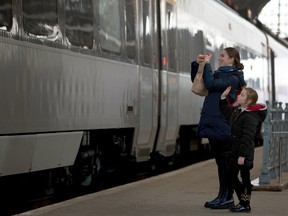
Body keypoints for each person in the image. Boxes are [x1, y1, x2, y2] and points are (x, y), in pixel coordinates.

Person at [190, 47, 246, 209]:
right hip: (214, 122)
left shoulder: (233, 78)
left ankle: (228, 196)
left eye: (222, 56)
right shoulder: (221, 74)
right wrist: (198, 64)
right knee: (220, 162)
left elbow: (210, 83)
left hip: (223, 123)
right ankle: (222, 195)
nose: (219, 58)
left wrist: (207, 65)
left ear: (232, 60)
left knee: (226, 163)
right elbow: (199, 81)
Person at [220, 86, 267, 213]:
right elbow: (226, 112)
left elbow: (248, 137)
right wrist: (223, 97)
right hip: (235, 151)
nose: (238, 96)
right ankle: (243, 201)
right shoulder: (239, 111)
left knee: (245, 178)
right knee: (231, 176)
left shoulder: (250, 117)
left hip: (243, 153)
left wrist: (242, 155)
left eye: (242, 95)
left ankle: (245, 204)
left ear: (249, 100)